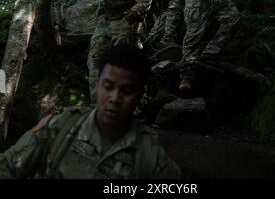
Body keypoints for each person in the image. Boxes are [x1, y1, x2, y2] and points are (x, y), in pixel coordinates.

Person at [0, 44, 181, 179]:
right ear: (97, 85)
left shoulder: (151, 157)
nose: (115, 98)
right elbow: (8, 165)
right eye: (108, 87)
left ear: (140, 95)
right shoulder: (60, 127)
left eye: (127, 91)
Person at [44, 0, 154, 103]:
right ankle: (98, 105)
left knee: (125, 60)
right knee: (95, 59)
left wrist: (139, 8)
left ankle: (136, 105)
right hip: (106, 18)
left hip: (128, 17)